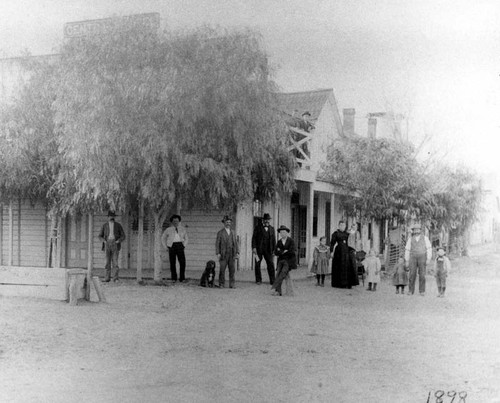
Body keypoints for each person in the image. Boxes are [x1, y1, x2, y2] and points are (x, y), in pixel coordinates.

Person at [404, 223, 432, 296]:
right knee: (412, 274)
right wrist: (407, 260)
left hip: (422, 257)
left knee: (422, 275)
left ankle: (422, 291)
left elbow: (429, 248)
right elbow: (407, 249)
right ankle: (410, 290)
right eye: (415, 229)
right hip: (413, 257)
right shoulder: (410, 239)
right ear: (413, 231)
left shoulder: (425, 238)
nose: (416, 231)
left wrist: (428, 259)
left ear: (420, 230)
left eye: (418, 229)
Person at [330, 220, 359, 288]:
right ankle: (339, 284)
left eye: (344, 225)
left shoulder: (347, 233)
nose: (342, 227)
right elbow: (332, 243)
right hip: (339, 252)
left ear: (345, 226)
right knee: (339, 266)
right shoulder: (335, 233)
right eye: (341, 225)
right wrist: (331, 252)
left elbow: (354, 237)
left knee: (347, 267)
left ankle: (347, 283)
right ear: (339, 226)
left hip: (347, 251)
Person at [98, 210, 126, 282]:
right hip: (107, 244)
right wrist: (104, 241)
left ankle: (115, 278)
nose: (111, 217)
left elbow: (123, 236)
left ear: (114, 217)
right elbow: (100, 236)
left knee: (115, 262)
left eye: (113, 216)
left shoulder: (118, 225)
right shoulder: (104, 225)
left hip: (115, 244)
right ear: (108, 217)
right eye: (110, 216)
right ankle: (107, 278)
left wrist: (118, 241)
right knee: (107, 262)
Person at [161, 214, 189, 283]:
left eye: (177, 221)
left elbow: (186, 238)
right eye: (174, 221)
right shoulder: (168, 229)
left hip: (180, 245)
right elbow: (163, 238)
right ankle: (174, 278)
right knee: (172, 263)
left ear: (179, 221)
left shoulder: (182, 229)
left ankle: (182, 278)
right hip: (171, 246)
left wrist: (184, 245)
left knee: (182, 262)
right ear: (172, 222)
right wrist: (166, 247)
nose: (175, 222)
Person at [271, 225, 297, 296]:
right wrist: (283, 251)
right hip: (280, 261)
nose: (282, 234)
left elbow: (293, 251)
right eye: (281, 232)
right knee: (278, 274)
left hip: (288, 261)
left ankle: (276, 287)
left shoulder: (291, 241)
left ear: (287, 233)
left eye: (284, 232)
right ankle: (278, 291)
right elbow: (276, 252)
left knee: (283, 273)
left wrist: (282, 251)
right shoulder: (279, 242)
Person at [215, 215, 239, 288]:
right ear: (224, 223)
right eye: (226, 222)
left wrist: (237, 252)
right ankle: (221, 284)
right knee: (222, 269)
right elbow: (217, 244)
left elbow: (235, 243)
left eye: (229, 222)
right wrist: (218, 253)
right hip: (223, 254)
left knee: (232, 270)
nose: (228, 223)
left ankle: (232, 284)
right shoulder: (220, 232)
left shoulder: (233, 232)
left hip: (232, 254)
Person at [251, 213, 276, 285]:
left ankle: (272, 280)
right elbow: (254, 238)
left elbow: (274, 240)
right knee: (257, 264)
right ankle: (258, 280)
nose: (266, 221)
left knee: (271, 264)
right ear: (263, 220)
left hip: (269, 250)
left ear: (269, 220)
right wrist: (254, 247)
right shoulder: (257, 228)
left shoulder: (272, 229)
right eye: (265, 220)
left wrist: (274, 250)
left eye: (268, 220)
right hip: (258, 250)